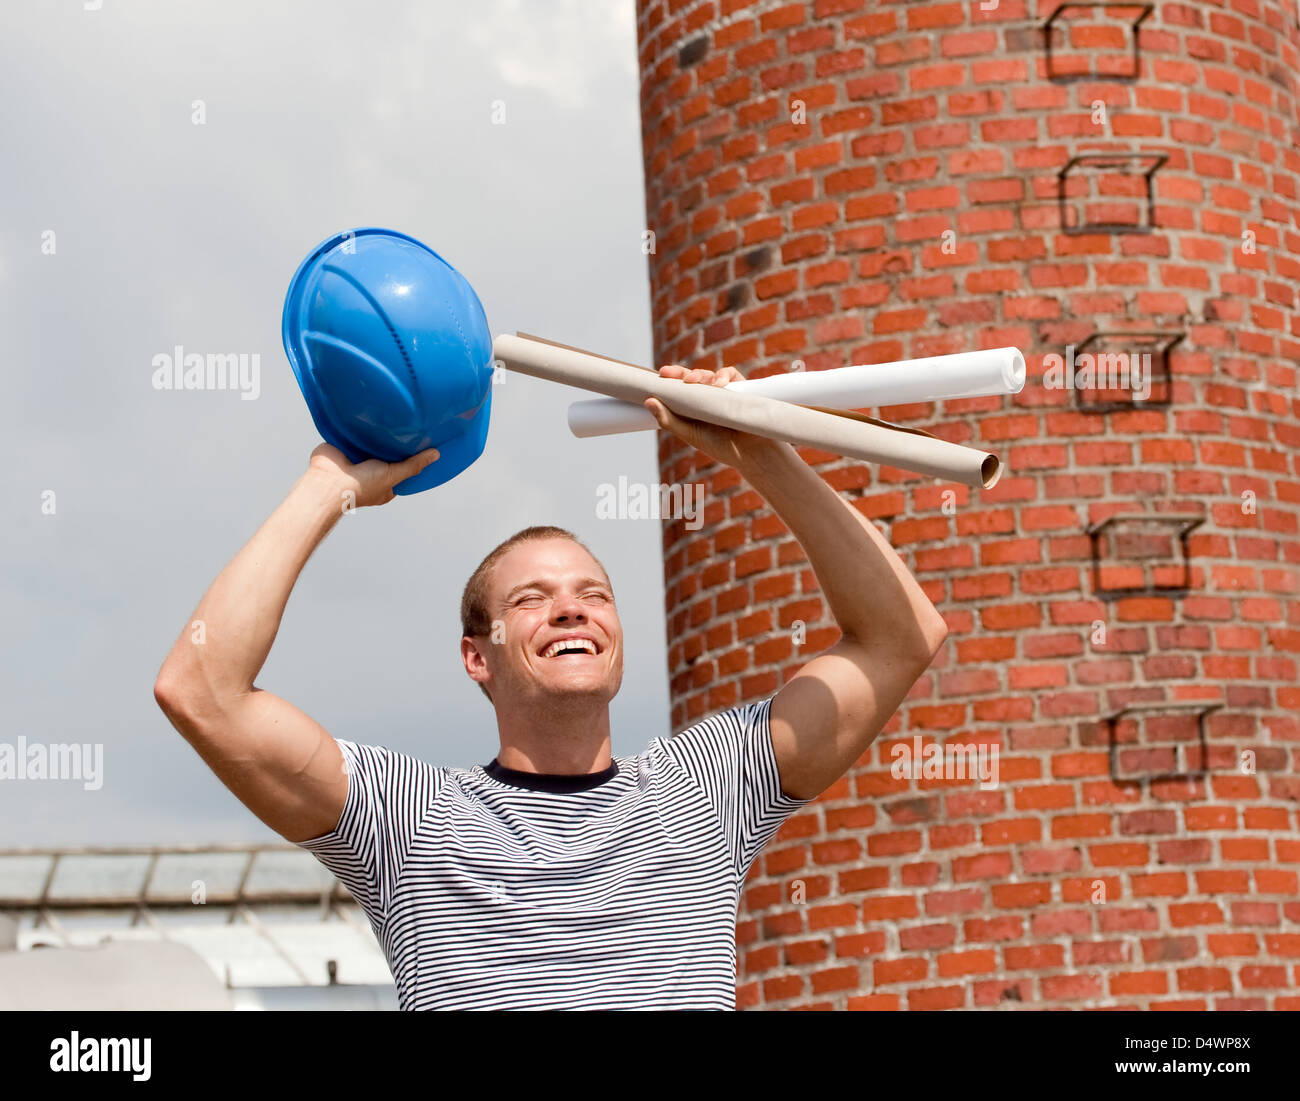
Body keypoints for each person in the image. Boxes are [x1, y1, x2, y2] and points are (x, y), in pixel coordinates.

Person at [153, 364, 949, 1009]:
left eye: (594, 593)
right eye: (531, 599)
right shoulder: (410, 822)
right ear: (478, 657)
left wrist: (761, 454)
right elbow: (201, 688)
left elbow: (901, 637)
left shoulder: (708, 788)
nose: (571, 605)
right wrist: (325, 487)